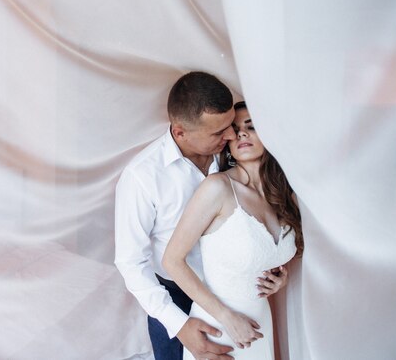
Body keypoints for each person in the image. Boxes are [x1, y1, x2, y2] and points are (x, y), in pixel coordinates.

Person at [115, 74, 288, 360]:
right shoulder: (142, 177)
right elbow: (130, 263)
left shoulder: (232, 156)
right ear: (180, 132)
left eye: (231, 126)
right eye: (219, 132)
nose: (231, 136)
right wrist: (179, 325)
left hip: (239, 294)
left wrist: (273, 267)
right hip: (177, 301)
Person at [163, 101, 304, 360]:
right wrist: (227, 318)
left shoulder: (284, 196)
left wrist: (279, 277)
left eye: (251, 127)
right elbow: (172, 260)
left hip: (261, 324)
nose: (241, 133)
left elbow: (273, 253)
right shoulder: (217, 188)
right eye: (234, 129)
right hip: (219, 329)